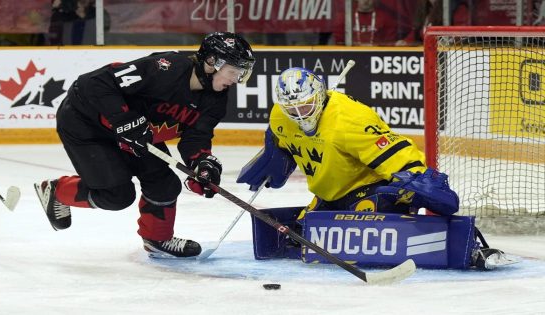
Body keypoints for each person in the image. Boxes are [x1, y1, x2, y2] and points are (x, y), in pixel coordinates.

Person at [237, 67, 510, 269]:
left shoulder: (350, 119)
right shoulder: (279, 116)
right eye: (292, 110)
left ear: (318, 96)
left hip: (368, 188)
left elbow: (394, 152)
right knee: (297, 239)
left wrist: (421, 181)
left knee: (370, 229)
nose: (300, 115)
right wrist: (273, 160)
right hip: (328, 195)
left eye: (306, 106)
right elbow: (280, 141)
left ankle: (460, 245)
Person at [34, 32, 255, 258]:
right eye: (233, 71)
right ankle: (57, 191)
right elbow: (95, 83)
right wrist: (124, 118)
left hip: (135, 134)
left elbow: (196, 136)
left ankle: (157, 239)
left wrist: (201, 163)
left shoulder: (216, 100)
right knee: (117, 195)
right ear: (211, 62)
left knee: (164, 184)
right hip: (87, 122)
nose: (235, 79)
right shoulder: (167, 68)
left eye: (241, 74)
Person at [332, 0, 398, 46]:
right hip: (350, 54)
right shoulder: (345, 17)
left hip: (377, 55)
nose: (366, 1)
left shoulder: (386, 18)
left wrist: (376, 45)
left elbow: (390, 42)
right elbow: (339, 41)